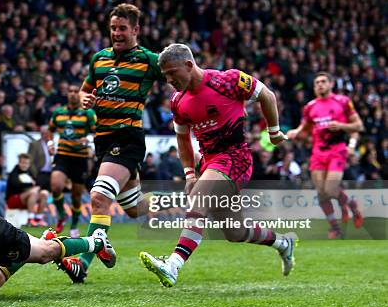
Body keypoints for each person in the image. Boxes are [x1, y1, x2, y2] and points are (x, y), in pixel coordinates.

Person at [139, 43, 297, 287]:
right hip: (210, 163)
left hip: (236, 158)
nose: (169, 80)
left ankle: (173, 265)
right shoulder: (177, 101)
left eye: (172, 73)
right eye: (165, 75)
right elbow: (182, 138)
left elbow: (267, 95)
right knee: (235, 232)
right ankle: (283, 243)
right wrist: (190, 173)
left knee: (198, 200)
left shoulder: (228, 80)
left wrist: (274, 131)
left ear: (189, 65)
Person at [58, 3, 164, 283]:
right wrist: (85, 100)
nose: (117, 33)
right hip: (103, 140)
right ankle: (164, 202)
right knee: (133, 209)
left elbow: (178, 77)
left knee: (99, 197)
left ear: (136, 30)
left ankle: (84, 261)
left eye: (122, 29)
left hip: (127, 137)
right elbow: (84, 91)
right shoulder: (99, 58)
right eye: (113, 28)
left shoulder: (149, 60)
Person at [287, 72, 364, 239]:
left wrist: (341, 126)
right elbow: (305, 129)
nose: (320, 85)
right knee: (321, 193)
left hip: (337, 150)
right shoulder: (310, 106)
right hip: (318, 152)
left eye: (323, 82)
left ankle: (353, 206)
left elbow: (358, 126)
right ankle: (335, 228)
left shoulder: (343, 101)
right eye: (317, 83)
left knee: (330, 189)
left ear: (331, 84)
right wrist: (296, 133)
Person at [48, 84, 96, 236]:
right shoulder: (58, 113)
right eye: (71, 91)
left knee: (76, 196)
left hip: (80, 158)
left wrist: (87, 139)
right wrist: (50, 143)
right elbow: (50, 129)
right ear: (67, 94)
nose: (73, 94)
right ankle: (62, 214)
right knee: (56, 186)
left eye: (76, 91)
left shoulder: (87, 113)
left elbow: (97, 132)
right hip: (62, 155)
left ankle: (74, 224)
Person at [6, 153, 49, 227]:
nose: (25, 165)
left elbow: (37, 183)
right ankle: (30, 219)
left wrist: (37, 187)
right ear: (19, 163)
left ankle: (38, 219)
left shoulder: (29, 172)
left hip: (27, 199)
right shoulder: (14, 173)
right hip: (13, 199)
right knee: (33, 193)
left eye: (27, 163)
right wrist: (30, 185)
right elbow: (16, 185)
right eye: (23, 163)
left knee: (44, 194)